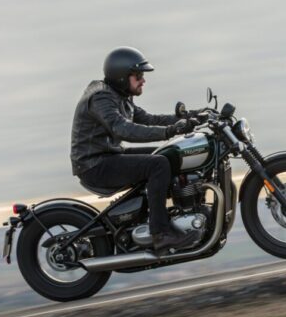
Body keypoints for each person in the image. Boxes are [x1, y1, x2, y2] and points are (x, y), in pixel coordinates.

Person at [70, 46, 198, 252]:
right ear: (122, 77)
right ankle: (161, 233)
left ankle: (162, 217)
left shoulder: (120, 95)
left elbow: (147, 119)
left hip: (108, 157)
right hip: (94, 165)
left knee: (169, 154)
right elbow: (123, 129)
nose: (143, 80)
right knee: (158, 164)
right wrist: (170, 131)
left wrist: (188, 117)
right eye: (138, 75)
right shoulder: (101, 98)